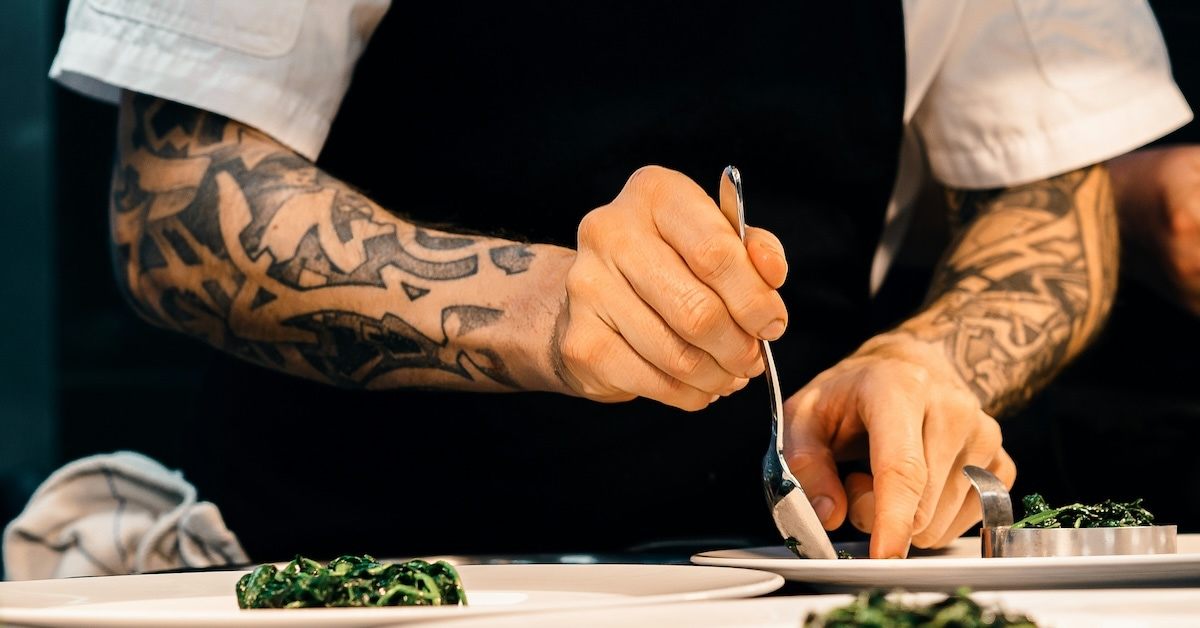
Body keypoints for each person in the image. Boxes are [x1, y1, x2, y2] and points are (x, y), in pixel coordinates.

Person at [47, 1, 1190, 560]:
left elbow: (1055, 176)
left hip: (788, 572)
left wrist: (926, 359)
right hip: (353, 567)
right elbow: (176, 194)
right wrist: (541, 310)